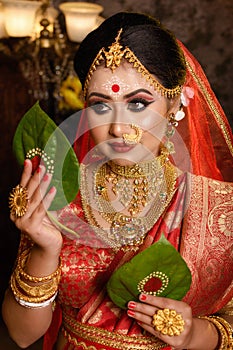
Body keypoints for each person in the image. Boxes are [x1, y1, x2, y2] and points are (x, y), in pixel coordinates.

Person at [2, 11, 233, 350]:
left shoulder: (218, 207)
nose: (118, 128)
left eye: (138, 103)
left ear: (175, 104)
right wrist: (44, 248)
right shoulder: (60, 192)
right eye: (100, 106)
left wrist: (197, 334)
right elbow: (23, 335)